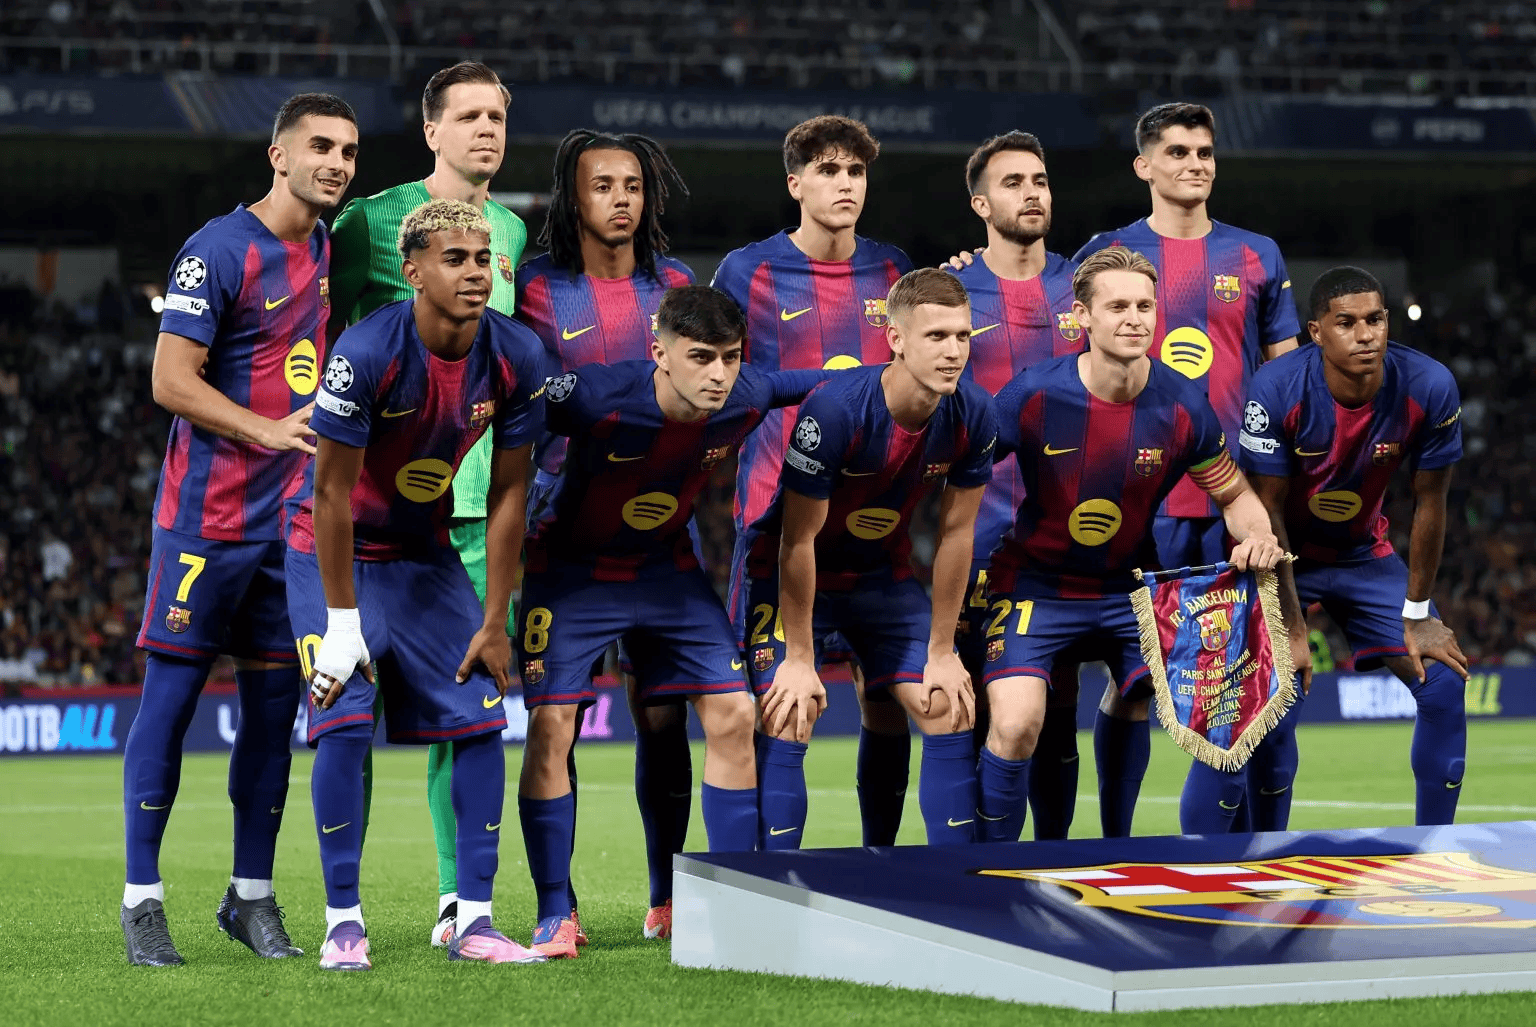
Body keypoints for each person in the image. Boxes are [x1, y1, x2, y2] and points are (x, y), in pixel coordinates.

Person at [121, 92, 358, 967]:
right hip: (205, 521)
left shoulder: (329, 248)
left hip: (289, 525)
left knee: (270, 717)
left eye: (349, 151)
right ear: (278, 155)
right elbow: (169, 379)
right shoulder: (217, 249)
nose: (336, 163)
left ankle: (249, 896)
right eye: (320, 146)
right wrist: (268, 430)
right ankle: (142, 901)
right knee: (171, 705)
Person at [516, 285, 820, 956]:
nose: (719, 374)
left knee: (735, 712)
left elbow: (819, 381)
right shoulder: (594, 396)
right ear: (660, 353)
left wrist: (911, 366)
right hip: (570, 571)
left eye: (731, 357)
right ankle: (554, 911)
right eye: (701, 357)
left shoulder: (746, 395)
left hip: (664, 570)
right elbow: (506, 401)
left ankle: (722, 900)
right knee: (551, 725)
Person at [289, 199, 549, 969]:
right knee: (343, 714)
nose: (475, 272)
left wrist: (495, 618)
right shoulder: (366, 352)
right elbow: (329, 495)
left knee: (480, 717)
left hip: (424, 551)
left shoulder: (517, 354)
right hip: (332, 550)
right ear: (412, 272)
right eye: (454, 258)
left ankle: (474, 920)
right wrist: (342, 624)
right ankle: (343, 923)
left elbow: (510, 492)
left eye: (483, 259)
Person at [981, 246, 1292, 840]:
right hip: (1036, 584)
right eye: (1117, 306)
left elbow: (1234, 494)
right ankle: (991, 865)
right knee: (1018, 724)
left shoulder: (1183, 402)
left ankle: (1118, 844)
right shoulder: (1032, 395)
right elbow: (963, 474)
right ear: (1082, 317)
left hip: (1128, 586)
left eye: (1144, 306)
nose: (1134, 319)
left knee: (1167, 695)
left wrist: (1258, 534)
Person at [325, 60, 527, 945]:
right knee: (352, 704)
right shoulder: (369, 220)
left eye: (498, 116)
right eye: (468, 116)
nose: (486, 130)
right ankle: (344, 908)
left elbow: (504, 357)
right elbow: (323, 336)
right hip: (375, 504)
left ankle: (457, 901)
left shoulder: (510, 228)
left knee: (467, 704)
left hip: (476, 506)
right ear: (431, 130)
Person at [1073, 103, 1301, 837]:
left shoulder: (1256, 253)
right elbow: (1070, 363)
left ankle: (1258, 853)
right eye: (1177, 152)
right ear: (1144, 165)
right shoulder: (1107, 253)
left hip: (1240, 501)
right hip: (1140, 501)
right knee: (1134, 682)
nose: (1195, 163)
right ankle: (1114, 839)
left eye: (1204, 152)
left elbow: (1288, 378)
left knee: (1259, 684)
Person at [712, 115, 916, 848]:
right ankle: (774, 876)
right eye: (828, 171)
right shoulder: (748, 272)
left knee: (887, 700)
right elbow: (718, 374)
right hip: (776, 522)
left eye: (855, 171)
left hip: (875, 527)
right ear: (796, 184)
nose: (845, 184)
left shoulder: (894, 270)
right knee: (782, 704)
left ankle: (879, 861)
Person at [742, 268, 996, 848]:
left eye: (962, 336)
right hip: (790, 577)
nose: (953, 351)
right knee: (790, 708)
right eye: (936, 336)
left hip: (882, 578)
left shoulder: (975, 413)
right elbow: (796, 542)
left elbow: (957, 534)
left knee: (948, 704)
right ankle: (777, 883)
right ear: (896, 339)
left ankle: (939, 881)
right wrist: (799, 657)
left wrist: (942, 651)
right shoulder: (835, 410)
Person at [516, 128, 694, 941]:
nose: (621, 198)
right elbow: (517, 388)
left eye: (633, 184)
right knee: (554, 721)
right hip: (565, 534)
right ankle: (560, 909)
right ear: (572, 197)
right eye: (602, 184)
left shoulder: (679, 285)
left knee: (663, 716)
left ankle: (668, 897)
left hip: (661, 534)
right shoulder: (534, 288)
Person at [1238, 266, 1468, 827]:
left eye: (1375, 319)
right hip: (1281, 559)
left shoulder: (1429, 385)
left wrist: (1419, 613)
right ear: (1316, 332)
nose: (1365, 335)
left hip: (1365, 556)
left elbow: (1431, 502)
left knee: (1441, 680)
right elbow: (1266, 512)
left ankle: (1432, 849)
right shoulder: (1277, 387)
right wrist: (1291, 627)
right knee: (1275, 696)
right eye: (1347, 323)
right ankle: (1263, 855)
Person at [950, 130, 1086, 842]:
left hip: (1070, 535)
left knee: (1058, 709)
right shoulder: (951, 290)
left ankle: (1054, 860)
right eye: (1012, 183)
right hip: (976, 530)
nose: (1032, 193)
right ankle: (977, 865)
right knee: (977, 706)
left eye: (1040, 180)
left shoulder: (1084, 284)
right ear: (980, 204)